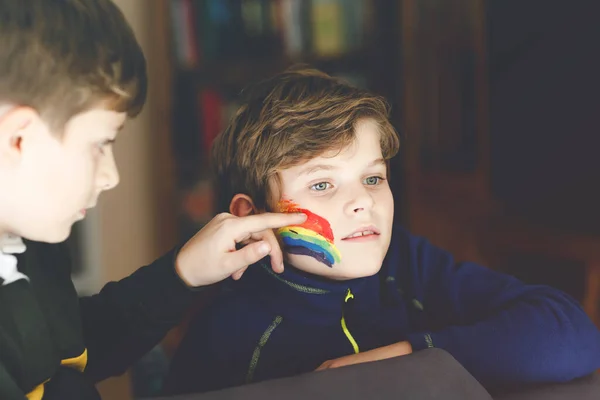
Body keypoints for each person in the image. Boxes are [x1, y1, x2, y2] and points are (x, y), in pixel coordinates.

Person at [163, 67, 600, 395]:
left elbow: (572, 336)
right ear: (252, 218)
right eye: (321, 184)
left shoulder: (407, 265)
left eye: (373, 178)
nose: (363, 201)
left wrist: (406, 356)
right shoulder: (227, 338)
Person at [0, 1, 306, 399]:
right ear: (18, 138)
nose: (111, 176)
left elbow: (71, 346)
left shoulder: (27, 248)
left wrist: (182, 274)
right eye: (100, 144)